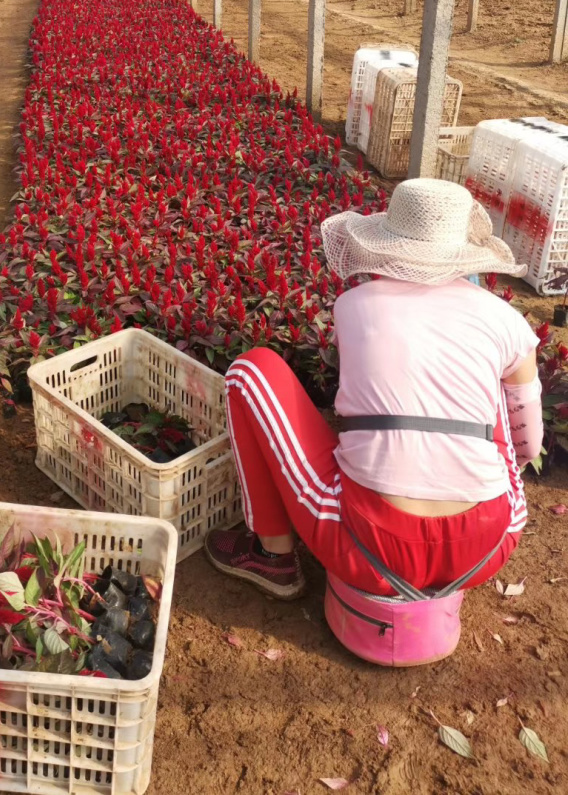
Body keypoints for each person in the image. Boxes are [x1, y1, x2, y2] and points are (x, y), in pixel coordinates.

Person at [205, 178, 542, 601]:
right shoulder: (506, 320)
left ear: (382, 246)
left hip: (368, 551)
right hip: (487, 547)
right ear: (466, 255)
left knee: (249, 371)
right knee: (489, 381)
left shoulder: (354, 306)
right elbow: (527, 445)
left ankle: (272, 557)